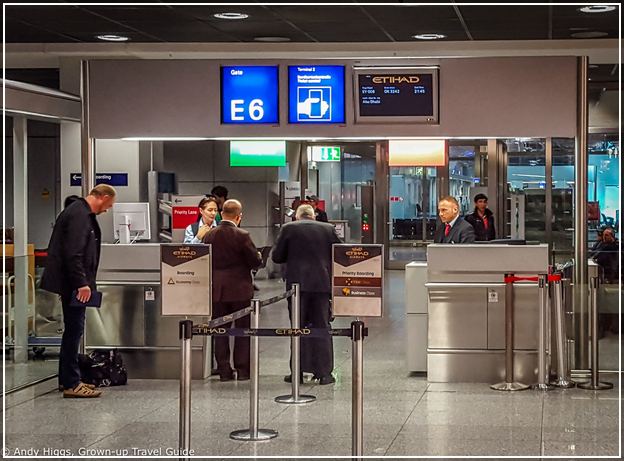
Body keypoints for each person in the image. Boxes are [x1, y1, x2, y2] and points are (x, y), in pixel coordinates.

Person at [41, 184, 117, 398]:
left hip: (73, 282)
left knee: (74, 331)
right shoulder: (80, 215)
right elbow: (73, 253)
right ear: (102, 197)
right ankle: (72, 383)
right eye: (108, 205)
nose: (107, 210)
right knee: (74, 331)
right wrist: (81, 283)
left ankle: (69, 379)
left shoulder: (79, 212)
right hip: (73, 284)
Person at [271, 204, 341, 385]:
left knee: (297, 327)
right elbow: (340, 254)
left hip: (296, 286)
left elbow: (277, 257)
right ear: (314, 216)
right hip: (321, 285)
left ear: (296, 216)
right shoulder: (328, 229)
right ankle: (325, 373)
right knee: (322, 326)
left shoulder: (288, 229)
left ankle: (298, 371)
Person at [202, 199, 262, 381]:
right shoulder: (242, 235)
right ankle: (243, 370)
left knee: (220, 330)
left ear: (221, 214)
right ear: (239, 216)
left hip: (217, 289)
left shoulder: (209, 235)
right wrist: (258, 257)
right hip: (240, 290)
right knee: (243, 330)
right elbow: (254, 261)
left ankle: (224, 370)